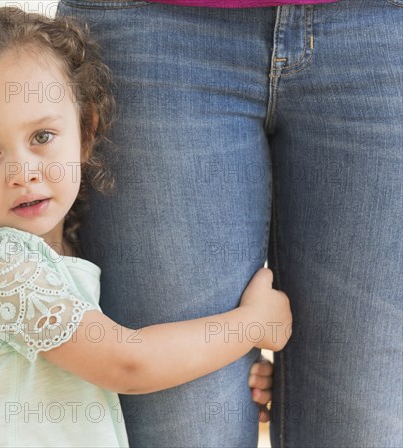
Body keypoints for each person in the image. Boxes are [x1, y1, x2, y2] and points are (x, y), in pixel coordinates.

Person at [0, 7, 292, 447]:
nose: (22, 172)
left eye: (41, 137)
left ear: (86, 130)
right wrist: (250, 326)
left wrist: (224, 367)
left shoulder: (63, 254)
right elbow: (127, 365)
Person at [55, 0, 403, 447]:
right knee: (184, 424)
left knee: (365, 426)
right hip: (148, 23)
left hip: (381, 23)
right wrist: (250, 327)